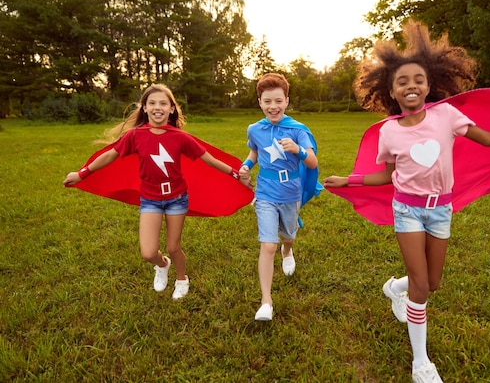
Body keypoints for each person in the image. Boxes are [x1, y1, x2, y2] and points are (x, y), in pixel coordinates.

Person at [322, 21, 490, 382]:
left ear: (429, 85)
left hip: (441, 210)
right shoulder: (389, 132)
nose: (411, 85)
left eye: (418, 80)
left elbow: (488, 139)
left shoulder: (447, 116)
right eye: (402, 82)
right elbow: (386, 175)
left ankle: (394, 288)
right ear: (390, 92)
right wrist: (349, 180)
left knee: (433, 283)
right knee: (422, 287)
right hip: (407, 210)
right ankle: (420, 363)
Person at [64, 84, 250, 300]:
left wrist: (237, 175)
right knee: (148, 253)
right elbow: (109, 156)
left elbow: (209, 160)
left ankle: (182, 279)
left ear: (172, 109)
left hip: (177, 199)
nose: (157, 107)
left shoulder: (180, 137)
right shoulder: (135, 135)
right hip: (150, 199)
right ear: (144, 108)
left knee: (173, 247)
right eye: (152, 103)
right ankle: (162, 265)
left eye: (163, 103)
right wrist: (82, 173)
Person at [239, 73, 320, 321]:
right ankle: (266, 302)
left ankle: (288, 251)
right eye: (267, 101)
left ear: (286, 100)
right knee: (268, 244)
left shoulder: (297, 130)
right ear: (260, 102)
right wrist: (246, 166)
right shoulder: (255, 129)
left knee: (288, 235)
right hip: (265, 192)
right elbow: (254, 152)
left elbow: (313, 161)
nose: (272, 107)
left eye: (278, 101)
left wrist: (298, 149)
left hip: (291, 192)